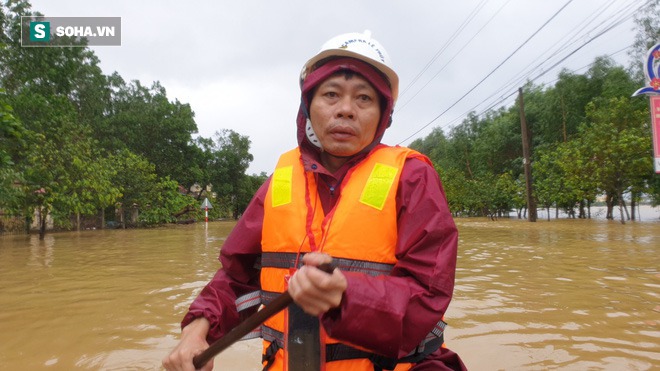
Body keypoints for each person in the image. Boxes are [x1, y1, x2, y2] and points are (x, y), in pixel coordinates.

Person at [163, 31, 466, 371]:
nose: (346, 110)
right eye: (331, 94)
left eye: (364, 99)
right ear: (308, 106)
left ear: (383, 114)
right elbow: (235, 278)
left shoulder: (412, 177)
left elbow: (429, 294)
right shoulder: (279, 181)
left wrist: (346, 294)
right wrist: (197, 331)